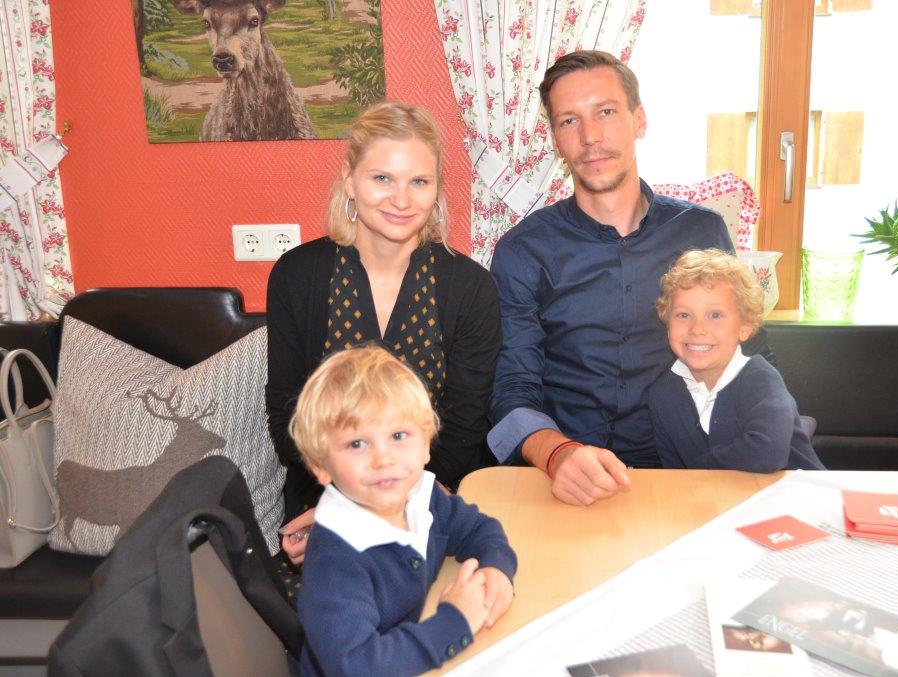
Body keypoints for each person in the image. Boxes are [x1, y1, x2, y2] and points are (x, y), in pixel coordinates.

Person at [487, 50, 773, 506]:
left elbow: (744, 357)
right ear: (556, 140)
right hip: (559, 477)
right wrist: (558, 454)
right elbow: (511, 389)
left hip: (684, 475)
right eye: (569, 121)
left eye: (605, 112)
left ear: (639, 120)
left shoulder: (702, 233)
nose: (590, 137)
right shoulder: (523, 251)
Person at [266, 102, 501, 563]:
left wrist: (390, 508)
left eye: (419, 182)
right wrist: (346, 508)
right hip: (326, 497)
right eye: (382, 179)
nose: (402, 199)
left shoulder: (471, 287)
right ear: (350, 181)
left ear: (437, 189)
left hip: (436, 497)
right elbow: (289, 419)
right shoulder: (298, 276)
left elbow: (463, 430)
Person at [289, 346, 516, 676]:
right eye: (357, 443)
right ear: (321, 466)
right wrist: (455, 622)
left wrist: (497, 570)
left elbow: (479, 529)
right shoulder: (334, 562)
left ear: (426, 444)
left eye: (398, 435)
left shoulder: (421, 495)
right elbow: (357, 667)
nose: (383, 459)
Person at [648, 249, 822, 472]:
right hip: (718, 494)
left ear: (744, 327)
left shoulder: (760, 379)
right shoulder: (662, 395)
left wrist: (697, 471)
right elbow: (674, 474)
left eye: (715, 315)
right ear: (667, 324)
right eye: (683, 315)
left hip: (799, 491)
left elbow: (767, 454)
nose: (697, 329)